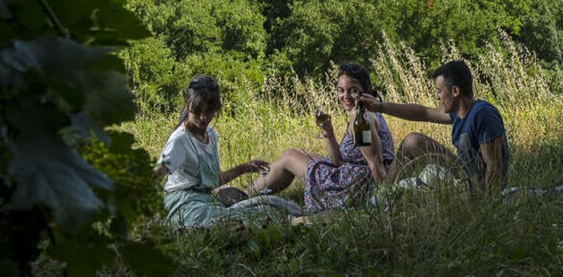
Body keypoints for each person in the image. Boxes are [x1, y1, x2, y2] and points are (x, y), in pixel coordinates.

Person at [247, 63, 395, 214]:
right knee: (296, 151)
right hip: (352, 175)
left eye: (353, 91)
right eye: (341, 90)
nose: (345, 96)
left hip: (353, 187)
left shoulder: (362, 118)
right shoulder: (367, 112)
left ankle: (244, 198)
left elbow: (375, 162)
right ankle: (246, 196)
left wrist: (383, 201)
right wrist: (328, 131)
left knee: (290, 157)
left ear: (366, 89)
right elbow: (338, 161)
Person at [358, 60, 510, 193]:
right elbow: (423, 113)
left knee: (416, 151)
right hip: (464, 179)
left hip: (477, 189)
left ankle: (388, 194)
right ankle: (386, 193)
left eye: (439, 91)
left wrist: (487, 208)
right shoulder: (458, 114)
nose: (437, 97)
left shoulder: (482, 113)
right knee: (413, 141)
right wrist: (380, 107)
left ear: (455, 91)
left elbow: (494, 166)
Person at [154, 75, 276, 228]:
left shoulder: (211, 134)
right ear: (187, 106)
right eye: (197, 111)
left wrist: (244, 168)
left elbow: (212, 180)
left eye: (209, 111)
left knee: (261, 214)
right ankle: (190, 230)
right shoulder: (179, 140)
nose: (203, 117)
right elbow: (155, 176)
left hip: (205, 200)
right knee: (225, 223)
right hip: (182, 204)